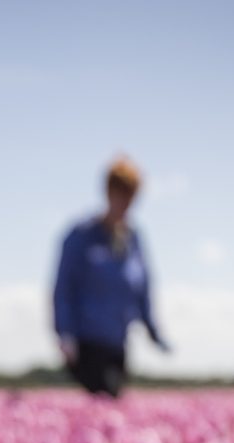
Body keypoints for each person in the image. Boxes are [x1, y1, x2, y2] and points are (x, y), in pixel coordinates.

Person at [51, 157, 168, 398]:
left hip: (119, 342)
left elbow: (143, 287)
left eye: (130, 197)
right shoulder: (81, 235)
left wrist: (154, 333)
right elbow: (63, 287)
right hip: (86, 342)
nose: (124, 203)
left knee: (114, 398)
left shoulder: (134, 240)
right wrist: (65, 333)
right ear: (107, 192)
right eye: (119, 194)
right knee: (102, 397)